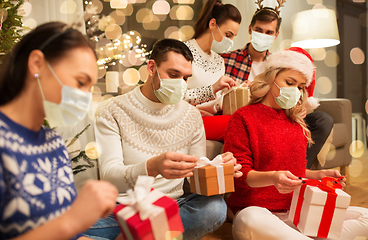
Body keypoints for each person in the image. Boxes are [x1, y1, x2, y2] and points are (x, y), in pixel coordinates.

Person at [93, 38, 242, 240]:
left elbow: (196, 172)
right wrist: (152, 167)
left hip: (173, 206)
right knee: (68, 227)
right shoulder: (112, 110)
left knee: (214, 209)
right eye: (173, 75)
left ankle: (139, 235)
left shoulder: (191, 115)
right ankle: (151, 234)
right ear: (152, 67)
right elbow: (111, 177)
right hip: (126, 207)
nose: (180, 84)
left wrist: (218, 168)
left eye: (185, 78)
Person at [223, 49, 368, 240]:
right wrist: (273, 178)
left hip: (298, 212)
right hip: (258, 212)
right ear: (270, 78)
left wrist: (319, 175)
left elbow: (296, 172)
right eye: (289, 83)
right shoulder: (243, 118)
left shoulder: (295, 122)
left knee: (365, 217)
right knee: (249, 220)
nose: (295, 91)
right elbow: (238, 177)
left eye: (300, 87)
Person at [0, 22, 120, 240]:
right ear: (37, 64)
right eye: (80, 82)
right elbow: (66, 226)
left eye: (90, 88)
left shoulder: (54, 144)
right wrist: (72, 220)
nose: (84, 97)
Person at [220, 2, 333, 169]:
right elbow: (219, 98)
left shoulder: (282, 64)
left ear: (276, 35)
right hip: (251, 120)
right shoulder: (227, 59)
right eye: (259, 30)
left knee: (323, 119)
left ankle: (298, 170)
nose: (263, 35)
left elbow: (292, 93)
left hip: (280, 118)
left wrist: (298, 108)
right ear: (250, 30)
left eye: (269, 32)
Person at [183, 0, 240, 141]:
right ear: (212, 24)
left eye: (233, 36)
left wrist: (235, 91)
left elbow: (217, 104)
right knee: (238, 126)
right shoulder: (183, 52)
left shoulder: (219, 61)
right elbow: (176, 97)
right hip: (186, 119)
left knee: (245, 121)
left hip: (210, 119)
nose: (231, 41)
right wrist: (212, 88)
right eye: (228, 35)